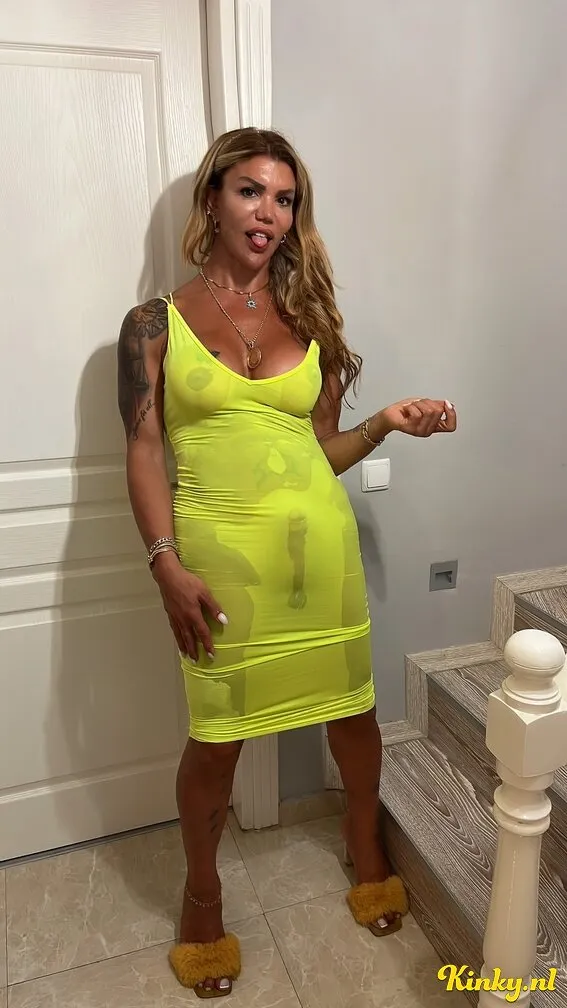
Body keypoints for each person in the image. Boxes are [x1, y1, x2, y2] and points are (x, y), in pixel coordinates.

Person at [117, 127, 457, 999]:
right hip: (219, 568)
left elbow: (319, 454)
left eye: (285, 198)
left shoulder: (310, 321)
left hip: (320, 562)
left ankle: (365, 846)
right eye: (250, 192)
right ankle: (202, 896)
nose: (268, 212)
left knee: (352, 712)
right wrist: (164, 564)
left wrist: (382, 424)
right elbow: (145, 449)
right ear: (212, 199)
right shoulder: (153, 323)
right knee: (216, 739)